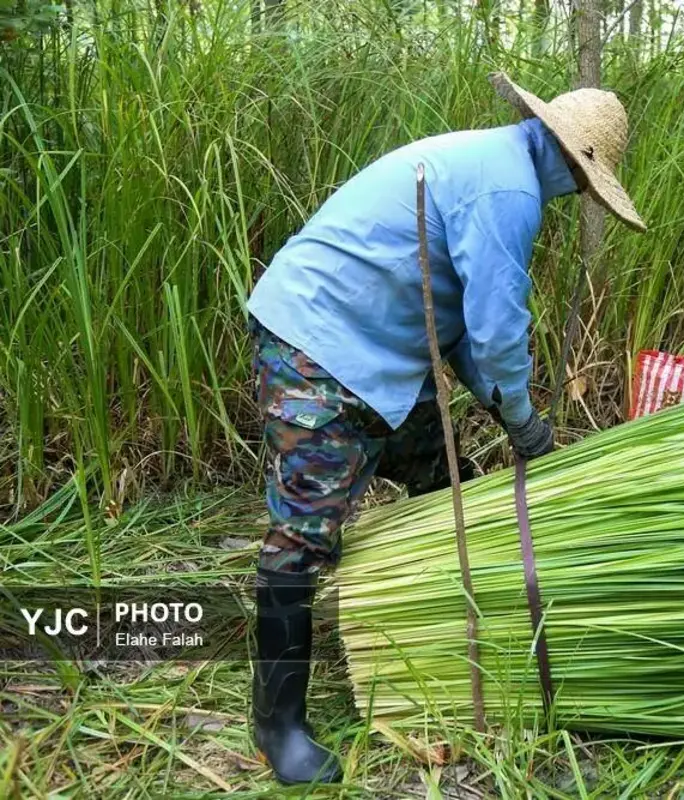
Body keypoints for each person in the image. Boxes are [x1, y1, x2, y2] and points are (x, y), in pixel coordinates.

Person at [243, 72, 646, 785]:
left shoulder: (492, 163)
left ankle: (435, 632)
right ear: (571, 161)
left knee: (445, 479)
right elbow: (495, 336)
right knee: (303, 537)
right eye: (583, 183)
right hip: (320, 346)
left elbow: (457, 334)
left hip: (385, 357)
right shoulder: (510, 191)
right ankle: (278, 726)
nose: (576, 196)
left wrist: (513, 421)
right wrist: (524, 424)